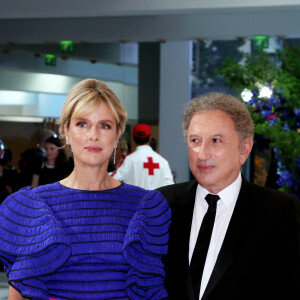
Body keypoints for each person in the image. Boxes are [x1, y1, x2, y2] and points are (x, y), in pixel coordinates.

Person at [0, 78, 171, 300]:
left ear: (118, 134)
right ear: (66, 132)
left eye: (105, 125)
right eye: (82, 124)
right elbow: (18, 295)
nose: (93, 135)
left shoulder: (146, 207)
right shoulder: (30, 207)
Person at [157, 92, 300, 300]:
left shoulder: (279, 211)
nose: (202, 154)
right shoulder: (162, 204)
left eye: (216, 140)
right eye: (195, 140)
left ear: (244, 149)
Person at [111, 124, 174, 189]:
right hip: (156, 199)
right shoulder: (162, 161)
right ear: (150, 138)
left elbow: (112, 179)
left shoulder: (130, 159)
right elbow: (170, 187)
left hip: (135, 198)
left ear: (133, 139)